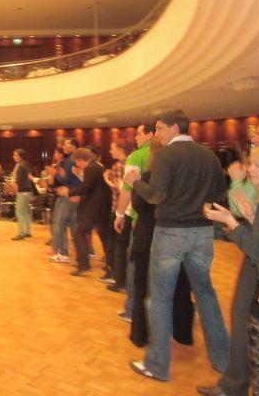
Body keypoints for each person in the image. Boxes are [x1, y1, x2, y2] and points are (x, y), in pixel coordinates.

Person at [127, 109, 229, 382]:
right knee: (206, 294)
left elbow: (155, 196)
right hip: (202, 233)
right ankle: (223, 360)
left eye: (160, 128)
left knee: (160, 298)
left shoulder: (166, 155)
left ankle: (157, 366)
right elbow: (221, 192)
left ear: (174, 128)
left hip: (171, 232)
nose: (156, 134)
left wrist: (134, 182)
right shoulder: (208, 155)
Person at [197, 117, 259, 396]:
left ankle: (237, 385)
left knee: (255, 333)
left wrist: (232, 223)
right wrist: (249, 217)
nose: (254, 139)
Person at [128, 137, 195, 348]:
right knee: (180, 283)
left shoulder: (149, 177)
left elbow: (140, 206)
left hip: (151, 236)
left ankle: (142, 335)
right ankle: (182, 333)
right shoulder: (184, 177)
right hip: (179, 237)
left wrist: (134, 184)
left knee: (145, 286)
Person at [110, 123, 155, 314]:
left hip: (139, 217)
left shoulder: (136, 156)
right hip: (161, 220)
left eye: (138, 134)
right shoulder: (165, 154)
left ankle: (132, 310)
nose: (135, 138)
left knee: (135, 263)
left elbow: (127, 189)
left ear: (150, 135)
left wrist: (120, 214)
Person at [60, 148, 112, 276]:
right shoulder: (97, 166)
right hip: (102, 207)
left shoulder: (91, 168)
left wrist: (68, 192)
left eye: (77, 162)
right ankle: (111, 267)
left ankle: (84, 266)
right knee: (105, 237)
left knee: (80, 233)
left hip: (94, 207)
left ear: (80, 160)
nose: (77, 165)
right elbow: (91, 186)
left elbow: (85, 187)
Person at [102, 139, 132, 283]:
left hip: (119, 211)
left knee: (116, 244)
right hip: (126, 211)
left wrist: (107, 181)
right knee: (119, 244)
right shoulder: (129, 164)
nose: (110, 151)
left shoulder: (119, 166)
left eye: (112, 148)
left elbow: (121, 189)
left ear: (120, 149)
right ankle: (119, 275)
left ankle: (117, 277)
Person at [47, 138, 81, 262]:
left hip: (67, 195)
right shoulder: (75, 160)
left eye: (67, 145)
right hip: (75, 195)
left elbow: (66, 181)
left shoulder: (69, 161)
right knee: (73, 224)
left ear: (73, 147)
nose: (64, 147)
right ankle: (82, 253)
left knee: (59, 223)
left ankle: (63, 253)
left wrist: (54, 173)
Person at [11, 149, 33, 241]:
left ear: (20, 156)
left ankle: (21, 233)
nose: (13, 156)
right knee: (25, 211)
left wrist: (15, 189)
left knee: (19, 212)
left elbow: (18, 180)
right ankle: (28, 232)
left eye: (15, 155)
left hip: (22, 191)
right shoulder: (25, 164)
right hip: (28, 191)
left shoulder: (20, 166)